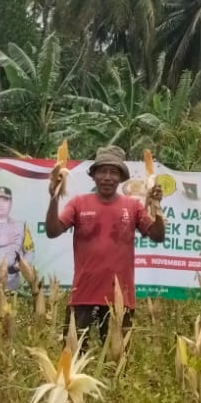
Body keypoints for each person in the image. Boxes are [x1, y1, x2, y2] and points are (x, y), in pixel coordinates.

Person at [45, 145, 166, 342]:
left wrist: (156, 205)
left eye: (113, 172)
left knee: (117, 358)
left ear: (121, 178)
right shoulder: (78, 203)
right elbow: (52, 231)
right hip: (83, 295)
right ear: (93, 176)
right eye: (102, 171)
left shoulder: (133, 206)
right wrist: (54, 197)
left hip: (120, 299)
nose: (108, 177)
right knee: (73, 354)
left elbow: (157, 236)